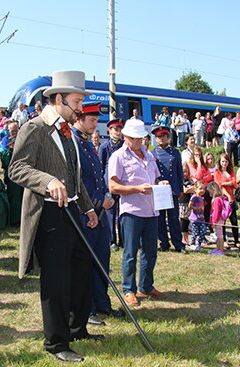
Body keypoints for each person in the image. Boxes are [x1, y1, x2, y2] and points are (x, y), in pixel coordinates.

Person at [8, 70, 100, 363]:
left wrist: (87, 207)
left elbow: (75, 176)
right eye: (76, 102)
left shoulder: (69, 131)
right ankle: (56, 342)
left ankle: (76, 328)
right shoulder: (35, 128)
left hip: (72, 211)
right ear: (58, 99)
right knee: (56, 279)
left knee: (82, 268)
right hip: (49, 214)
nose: (81, 109)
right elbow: (17, 169)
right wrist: (47, 181)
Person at [71, 101, 124, 326]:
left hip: (101, 212)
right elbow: (78, 180)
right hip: (85, 212)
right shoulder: (72, 142)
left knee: (102, 259)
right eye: (91, 120)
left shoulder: (88, 143)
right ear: (79, 119)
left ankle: (102, 303)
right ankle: (88, 309)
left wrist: (106, 196)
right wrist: (95, 202)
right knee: (84, 264)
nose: (95, 125)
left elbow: (97, 175)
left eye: (96, 120)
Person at [108, 118, 168, 308]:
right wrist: (136, 189)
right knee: (130, 253)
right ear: (125, 137)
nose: (138, 141)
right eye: (134, 138)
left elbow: (155, 179)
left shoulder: (150, 156)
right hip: (132, 212)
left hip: (152, 211)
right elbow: (113, 186)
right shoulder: (118, 157)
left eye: (140, 138)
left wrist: (161, 184)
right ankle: (129, 290)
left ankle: (146, 286)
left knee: (151, 252)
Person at [151, 126, 187, 254]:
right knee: (160, 218)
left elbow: (179, 171)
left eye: (164, 136)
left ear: (168, 137)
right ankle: (164, 243)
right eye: (158, 137)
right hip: (159, 189)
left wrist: (180, 187)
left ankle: (178, 243)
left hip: (172, 188)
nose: (161, 139)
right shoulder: (152, 153)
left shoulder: (175, 152)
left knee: (173, 218)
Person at [99, 118, 124, 251]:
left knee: (123, 213)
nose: (117, 132)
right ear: (109, 131)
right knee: (110, 213)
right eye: (115, 129)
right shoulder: (104, 147)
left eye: (119, 129)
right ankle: (111, 240)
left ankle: (123, 239)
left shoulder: (124, 146)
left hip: (123, 184)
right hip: (110, 185)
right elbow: (101, 168)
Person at [214, 153, 239, 246]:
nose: (224, 163)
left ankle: (236, 240)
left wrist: (225, 182)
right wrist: (227, 184)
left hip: (231, 198)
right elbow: (219, 185)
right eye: (222, 161)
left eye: (226, 161)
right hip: (222, 198)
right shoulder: (217, 172)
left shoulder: (231, 171)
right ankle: (223, 240)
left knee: (234, 220)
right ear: (220, 162)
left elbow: (234, 183)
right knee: (222, 220)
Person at [0, 123, 22, 226]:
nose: (14, 131)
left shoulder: (22, 137)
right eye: (12, 130)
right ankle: (14, 219)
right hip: (12, 176)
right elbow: (6, 164)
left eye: (16, 129)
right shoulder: (6, 145)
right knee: (14, 197)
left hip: (21, 175)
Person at [206, 181, 229, 256]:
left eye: (210, 191)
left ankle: (221, 250)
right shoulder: (219, 198)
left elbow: (216, 212)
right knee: (218, 235)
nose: (210, 193)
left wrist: (214, 221)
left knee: (220, 236)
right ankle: (217, 248)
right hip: (218, 220)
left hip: (218, 220)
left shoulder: (216, 200)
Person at [187, 181, 206, 252]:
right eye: (200, 189)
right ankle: (192, 243)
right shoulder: (194, 197)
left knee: (203, 231)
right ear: (195, 189)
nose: (202, 190)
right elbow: (189, 206)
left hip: (201, 218)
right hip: (194, 219)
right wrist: (197, 208)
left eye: (204, 189)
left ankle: (199, 244)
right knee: (195, 232)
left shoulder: (202, 198)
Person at [179, 164, 194, 246]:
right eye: (183, 171)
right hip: (182, 202)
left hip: (190, 202)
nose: (185, 173)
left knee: (188, 221)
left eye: (186, 172)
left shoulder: (190, 180)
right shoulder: (180, 180)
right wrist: (190, 189)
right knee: (183, 221)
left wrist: (191, 189)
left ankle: (187, 237)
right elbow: (185, 190)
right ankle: (183, 238)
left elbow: (196, 188)